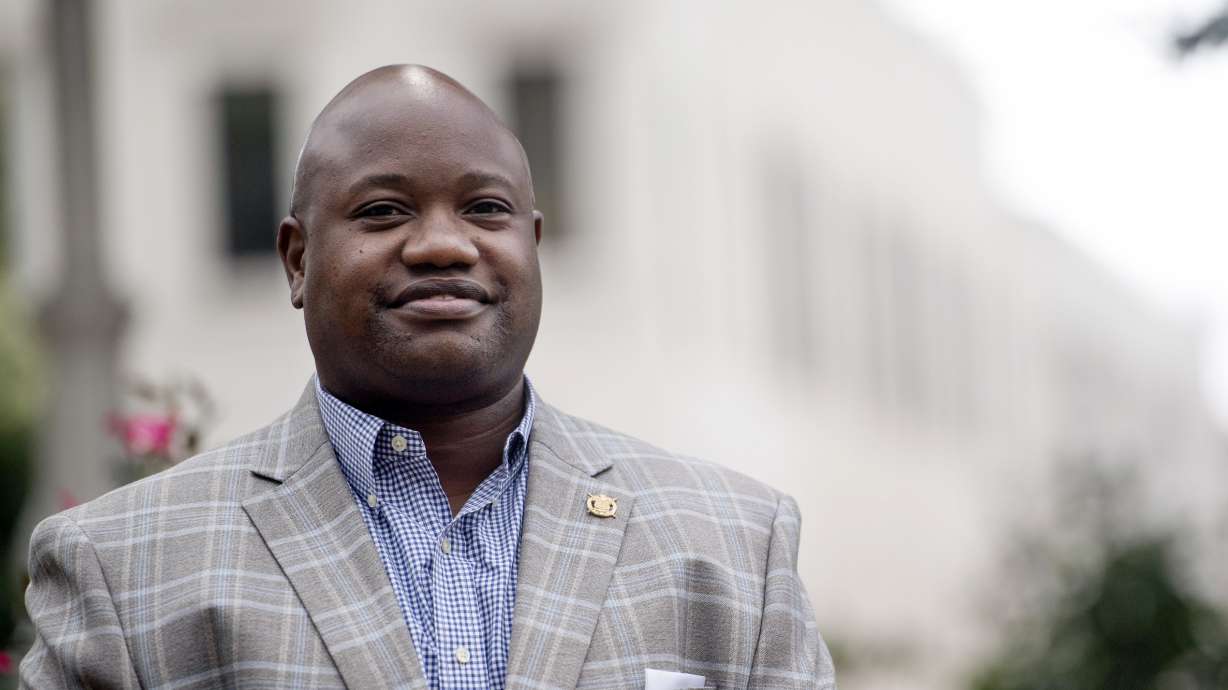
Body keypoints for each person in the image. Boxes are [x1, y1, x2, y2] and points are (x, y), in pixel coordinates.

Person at [20, 65, 836, 690]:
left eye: (486, 209)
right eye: (383, 211)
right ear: (298, 260)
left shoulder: (733, 547)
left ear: (534, 241)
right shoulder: (121, 567)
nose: (444, 245)